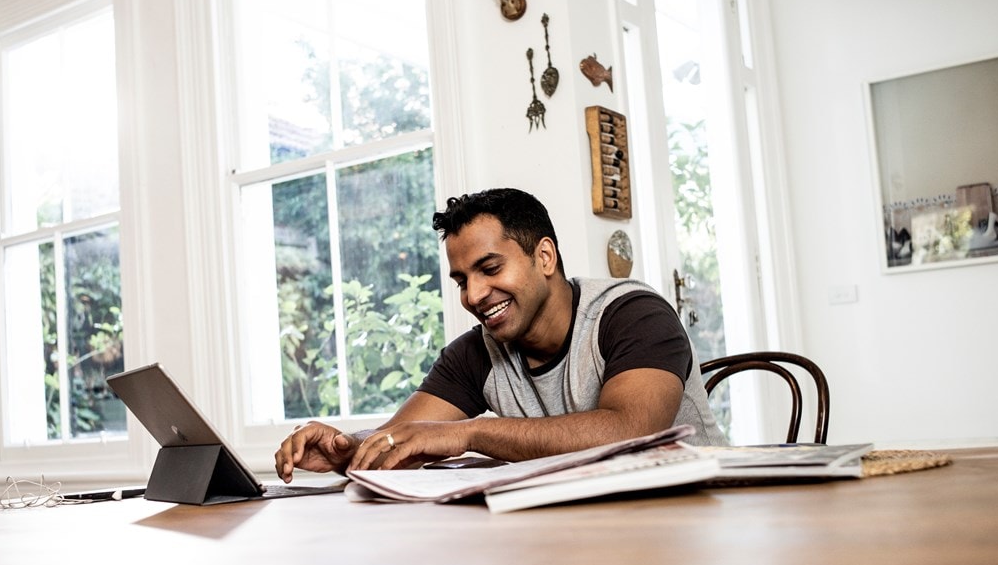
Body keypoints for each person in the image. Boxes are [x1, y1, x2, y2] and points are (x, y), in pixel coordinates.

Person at [274, 188, 726, 482]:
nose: (473, 295)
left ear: (544, 257)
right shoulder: (477, 352)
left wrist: (469, 434)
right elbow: (399, 439)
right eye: (461, 280)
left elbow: (630, 431)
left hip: (700, 516)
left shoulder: (633, 314)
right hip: (582, 533)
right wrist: (346, 450)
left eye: (490, 268)